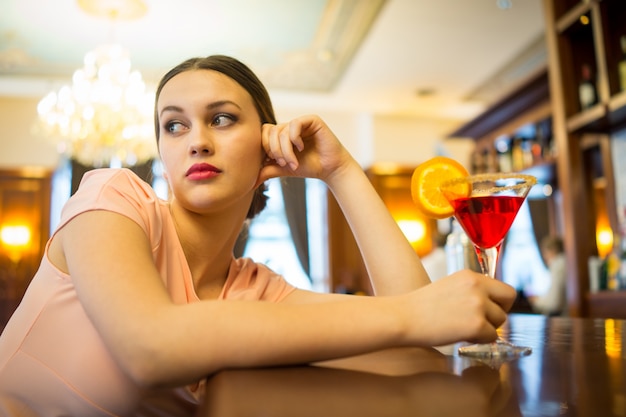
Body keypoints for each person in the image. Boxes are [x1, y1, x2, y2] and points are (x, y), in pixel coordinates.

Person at [0, 55, 516, 416]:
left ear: (268, 146)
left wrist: (341, 172)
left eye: (221, 119)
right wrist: (414, 317)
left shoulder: (258, 291)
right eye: (173, 126)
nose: (196, 142)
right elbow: (150, 347)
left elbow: (417, 346)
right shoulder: (110, 199)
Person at [529, 235, 567, 316]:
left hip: (561, 319)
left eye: (545, 252)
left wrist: (536, 301)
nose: (544, 257)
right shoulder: (564, 263)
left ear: (553, 250)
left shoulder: (557, 265)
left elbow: (554, 303)